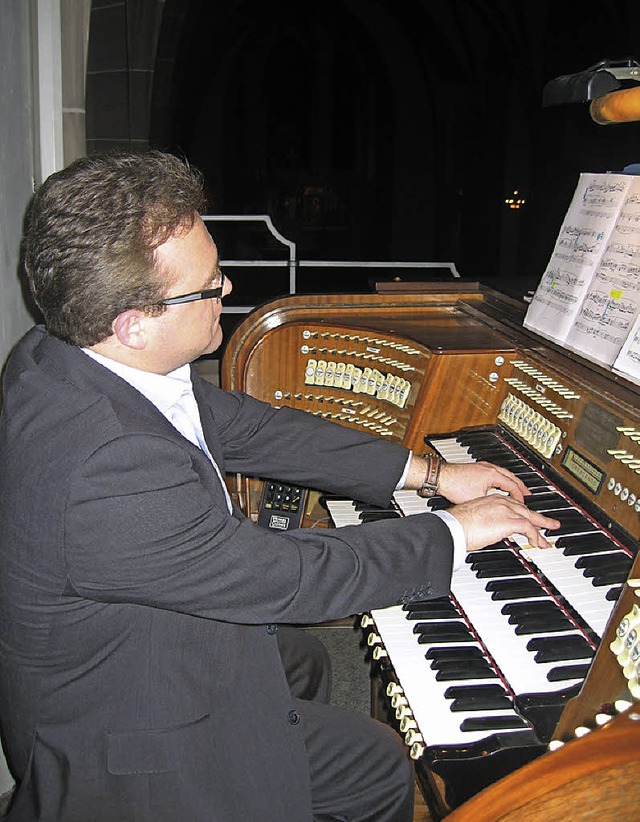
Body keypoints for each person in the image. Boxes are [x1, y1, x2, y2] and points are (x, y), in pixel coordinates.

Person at [0, 151, 559, 822]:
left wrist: (432, 472)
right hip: (127, 744)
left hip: (129, 648)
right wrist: (454, 530)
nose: (228, 288)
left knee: (303, 667)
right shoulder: (107, 463)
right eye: (208, 286)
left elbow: (253, 428)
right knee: (380, 762)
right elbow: (292, 579)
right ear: (134, 322)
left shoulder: (60, 353)